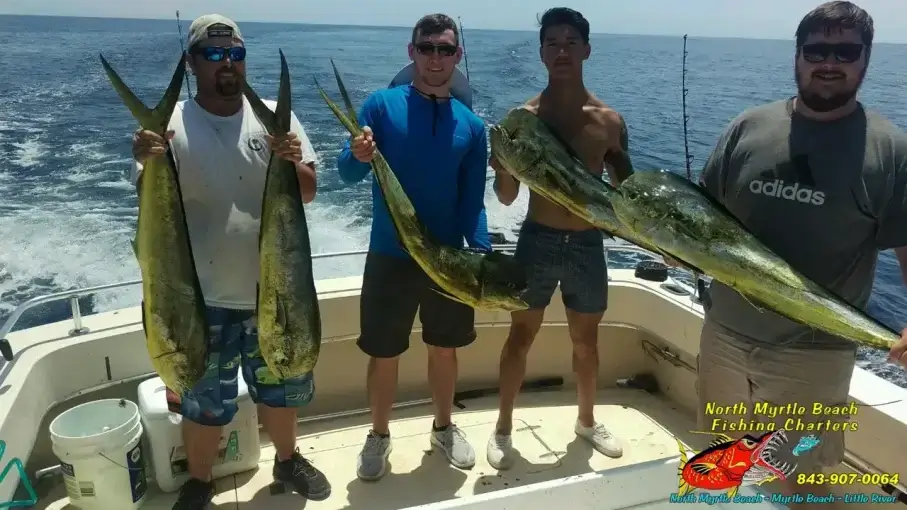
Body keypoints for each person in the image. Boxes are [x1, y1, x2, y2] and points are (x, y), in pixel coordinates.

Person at [665, 2, 907, 507]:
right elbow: (700, 217)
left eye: (845, 51)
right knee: (725, 460)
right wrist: (674, 248)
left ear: (865, 59)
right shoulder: (747, 127)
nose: (829, 61)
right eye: (816, 49)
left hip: (812, 354)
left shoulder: (890, 151)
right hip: (725, 337)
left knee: (802, 481)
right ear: (797, 56)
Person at [129, 14, 330, 509]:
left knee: (281, 390)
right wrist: (147, 158)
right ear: (192, 61)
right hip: (199, 299)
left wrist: (292, 160)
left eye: (235, 55)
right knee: (203, 405)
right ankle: (200, 480)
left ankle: (287, 459)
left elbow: (307, 191)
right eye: (215, 55)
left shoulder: (273, 119)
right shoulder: (169, 127)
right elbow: (148, 206)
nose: (227, 65)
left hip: (274, 294)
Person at [336, 13, 490, 481]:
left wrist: (480, 255)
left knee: (445, 350)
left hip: (447, 262)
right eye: (427, 47)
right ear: (412, 52)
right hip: (390, 256)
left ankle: (443, 427)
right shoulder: (380, 107)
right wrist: (357, 154)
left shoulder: (473, 126)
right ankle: (378, 436)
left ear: (457, 56)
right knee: (384, 353)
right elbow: (346, 172)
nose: (436, 57)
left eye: (446, 49)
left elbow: (472, 205)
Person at [487, 7, 634, 470]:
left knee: (587, 344)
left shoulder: (609, 121)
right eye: (553, 42)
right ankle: (503, 428)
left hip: (589, 245)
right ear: (542, 53)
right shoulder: (523, 118)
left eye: (572, 42)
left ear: (587, 50)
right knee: (519, 339)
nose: (562, 50)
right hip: (537, 240)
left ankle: (587, 422)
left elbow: (628, 196)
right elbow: (507, 197)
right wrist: (504, 169)